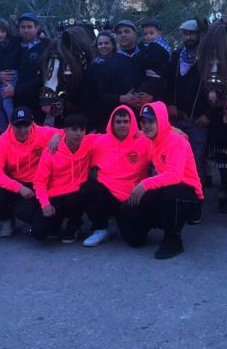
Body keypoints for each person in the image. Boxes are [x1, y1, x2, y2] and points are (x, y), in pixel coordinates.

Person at [117, 102, 203, 259]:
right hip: (163, 189)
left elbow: (174, 176)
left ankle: (173, 239)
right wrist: (60, 135)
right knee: (129, 214)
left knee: (170, 193)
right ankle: (149, 225)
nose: (146, 126)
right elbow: (121, 134)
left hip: (188, 195)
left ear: (161, 120)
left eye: (151, 121)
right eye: (143, 122)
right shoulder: (150, 139)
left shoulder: (177, 141)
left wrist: (143, 185)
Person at [79, 105, 152, 247]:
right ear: (112, 124)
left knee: (137, 242)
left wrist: (178, 131)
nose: (122, 125)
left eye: (125, 121)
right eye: (118, 122)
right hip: (107, 197)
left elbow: (165, 135)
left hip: (132, 198)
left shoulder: (144, 140)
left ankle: (129, 222)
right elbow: (73, 136)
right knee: (88, 187)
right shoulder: (99, 141)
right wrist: (57, 136)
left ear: (132, 123)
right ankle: (100, 228)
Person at [0, 106, 57, 237]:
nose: (22, 130)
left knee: (39, 225)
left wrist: (57, 136)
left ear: (32, 123)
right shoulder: (2, 142)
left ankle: (34, 220)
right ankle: (6, 219)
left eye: (26, 125)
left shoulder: (43, 133)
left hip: (38, 183)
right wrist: (19, 188)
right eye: (18, 126)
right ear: (11, 125)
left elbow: (67, 132)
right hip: (16, 183)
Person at [167, 19, 216, 189]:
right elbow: (168, 83)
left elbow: (216, 89)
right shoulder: (175, 57)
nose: (188, 37)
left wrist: (208, 115)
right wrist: (170, 104)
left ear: (200, 35)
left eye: (192, 33)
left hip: (198, 120)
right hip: (177, 118)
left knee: (197, 162)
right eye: (185, 34)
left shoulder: (209, 59)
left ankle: (195, 201)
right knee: (175, 161)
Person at [31, 114, 93, 243]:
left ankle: (74, 225)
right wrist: (45, 204)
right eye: (74, 129)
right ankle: (56, 223)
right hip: (55, 196)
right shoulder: (51, 151)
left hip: (75, 195)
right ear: (65, 130)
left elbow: (110, 137)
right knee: (39, 233)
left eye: (82, 130)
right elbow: (39, 182)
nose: (78, 134)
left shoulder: (88, 143)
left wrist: (138, 133)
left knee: (85, 190)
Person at [95, 20, 146, 117]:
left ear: (135, 34)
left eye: (126, 31)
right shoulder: (108, 64)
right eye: (119, 33)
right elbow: (101, 95)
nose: (123, 35)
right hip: (122, 118)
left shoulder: (149, 53)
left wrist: (149, 94)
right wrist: (121, 98)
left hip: (149, 115)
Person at [8, 13, 47, 115]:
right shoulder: (14, 46)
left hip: (34, 102)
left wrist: (17, 90)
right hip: (13, 101)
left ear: (37, 28)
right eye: (23, 27)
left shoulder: (44, 48)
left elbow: (42, 77)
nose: (26, 30)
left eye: (29, 27)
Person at [133, 19, 170, 99]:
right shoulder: (159, 46)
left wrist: (137, 56)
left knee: (137, 96)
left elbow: (144, 60)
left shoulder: (158, 47)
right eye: (145, 34)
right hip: (153, 79)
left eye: (151, 33)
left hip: (155, 80)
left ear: (160, 33)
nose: (148, 36)